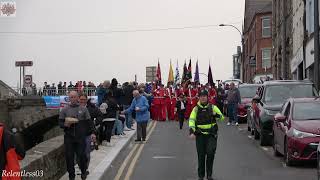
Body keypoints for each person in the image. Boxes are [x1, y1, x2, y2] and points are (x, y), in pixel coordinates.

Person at [59, 91, 95, 180]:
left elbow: (89, 123)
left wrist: (93, 133)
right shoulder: (64, 110)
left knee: (82, 156)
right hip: (69, 138)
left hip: (80, 137)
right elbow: (60, 123)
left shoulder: (83, 109)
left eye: (75, 97)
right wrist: (65, 125)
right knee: (69, 157)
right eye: (71, 97)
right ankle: (72, 176)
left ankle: (83, 171)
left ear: (78, 98)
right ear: (69, 98)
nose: (73, 99)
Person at [189, 90, 224, 180]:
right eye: (201, 96)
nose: (203, 97)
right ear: (199, 98)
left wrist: (215, 114)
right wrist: (192, 131)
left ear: (207, 97)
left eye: (205, 96)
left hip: (211, 135)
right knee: (201, 156)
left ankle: (209, 175)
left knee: (210, 153)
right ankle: (201, 176)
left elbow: (222, 118)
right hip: (200, 135)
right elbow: (191, 120)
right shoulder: (196, 109)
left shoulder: (213, 107)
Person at [79, 94, 98, 174]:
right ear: (78, 100)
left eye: (84, 99)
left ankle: (85, 169)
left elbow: (100, 116)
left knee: (87, 153)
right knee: (79, 154)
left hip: (87, 134)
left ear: (87, 100)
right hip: (78, 135)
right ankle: (81, 168)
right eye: (81, 99)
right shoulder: (75, 109)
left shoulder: (92, 108)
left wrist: (95, 123)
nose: (82, 101)